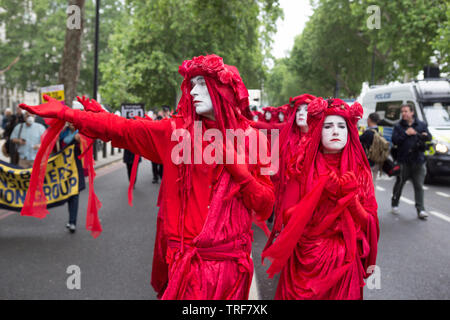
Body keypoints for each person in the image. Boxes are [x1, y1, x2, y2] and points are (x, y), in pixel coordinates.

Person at [20, 54, 275, 300]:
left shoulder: (256, 140)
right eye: (191, 85)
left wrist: (242, 175)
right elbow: (123, 129)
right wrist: (69, 114)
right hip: (186, 270)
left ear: (224, 90)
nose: (193, 92)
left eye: (202, 84)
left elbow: (265, 206)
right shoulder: (174, 132)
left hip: (232, 274)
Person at [262, 98, 379, 300]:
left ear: (350, 132)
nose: (336, 131)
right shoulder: (302, 167)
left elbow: (371, 223)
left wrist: (352, 203)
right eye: (328, 126)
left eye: (342, 126)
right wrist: (320, 193)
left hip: (344, 263)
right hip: (304, 260)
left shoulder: (360, 172)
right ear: (317, 131)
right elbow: (288, 218)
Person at [391, 104, 431, 219]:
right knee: (400, 183)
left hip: (418, 160)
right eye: (402, 112)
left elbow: (429, 137)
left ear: (412, 113)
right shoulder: (398, 126)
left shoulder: (421, 124)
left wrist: (424, 135)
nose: (404, 113)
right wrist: (405, 133)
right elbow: (395, 140)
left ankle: (421, 209)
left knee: (419, 185)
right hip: (403, 160)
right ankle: (395, 203)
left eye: (406, 111)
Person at [59, 123, 86, 233]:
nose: (71, 124)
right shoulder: (63, 133)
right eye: (69, 122)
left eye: (72, 122)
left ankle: (72, 221)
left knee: (74, 194)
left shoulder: (81, 134)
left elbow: (86, 148)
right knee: (68, 195)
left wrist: (80, 141)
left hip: (76, 169)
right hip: (64, 169)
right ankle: (71, 220)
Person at [359, 112, 381, 185]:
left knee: (365, 183)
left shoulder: (368, 133)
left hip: (368, 160)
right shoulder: (378, 131)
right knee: (373, 181)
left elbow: (358, 140)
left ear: (369, 119)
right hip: (377, 159)